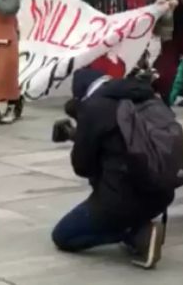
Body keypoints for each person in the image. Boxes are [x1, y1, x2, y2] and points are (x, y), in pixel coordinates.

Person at [51, 68, 174, 269]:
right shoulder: (148, 95)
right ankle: (140, 232)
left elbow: (82, 167)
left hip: (121, 199)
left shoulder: (94, 107)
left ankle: (136, 232)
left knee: (63, 236)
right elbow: (123, 139)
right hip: (162, 193)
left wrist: (81, 137)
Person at [151, 0, 183, 104]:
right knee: (168, 64)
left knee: (167, 63)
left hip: (174, 32)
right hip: (173, 32)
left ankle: (164, 93)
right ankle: (164, 95)